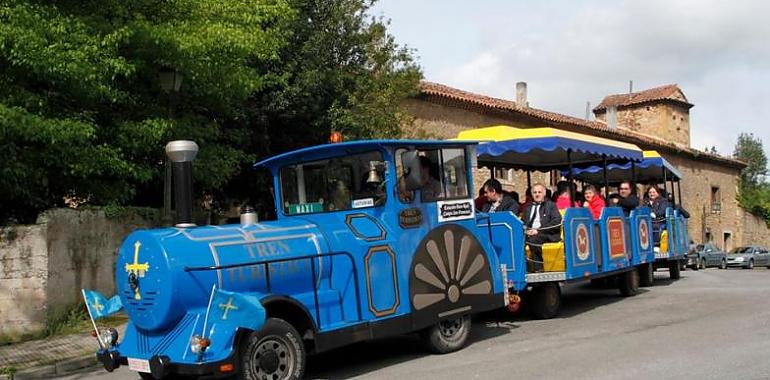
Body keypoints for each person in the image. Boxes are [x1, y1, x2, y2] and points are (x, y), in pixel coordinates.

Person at [522, 183, 562, 272]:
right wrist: (525, 230)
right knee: (516, 240)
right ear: (532, 194)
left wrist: (538, 230)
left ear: (544, 193)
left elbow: (556, 220)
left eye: (539, 192)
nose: (537, 194)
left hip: (547, 233)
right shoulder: (528, 207)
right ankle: (523, 268)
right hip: (530, 233)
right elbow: (523, 222)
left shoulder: (551, 205)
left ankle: (538, 268)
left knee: (534, 240)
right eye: (534, 192)